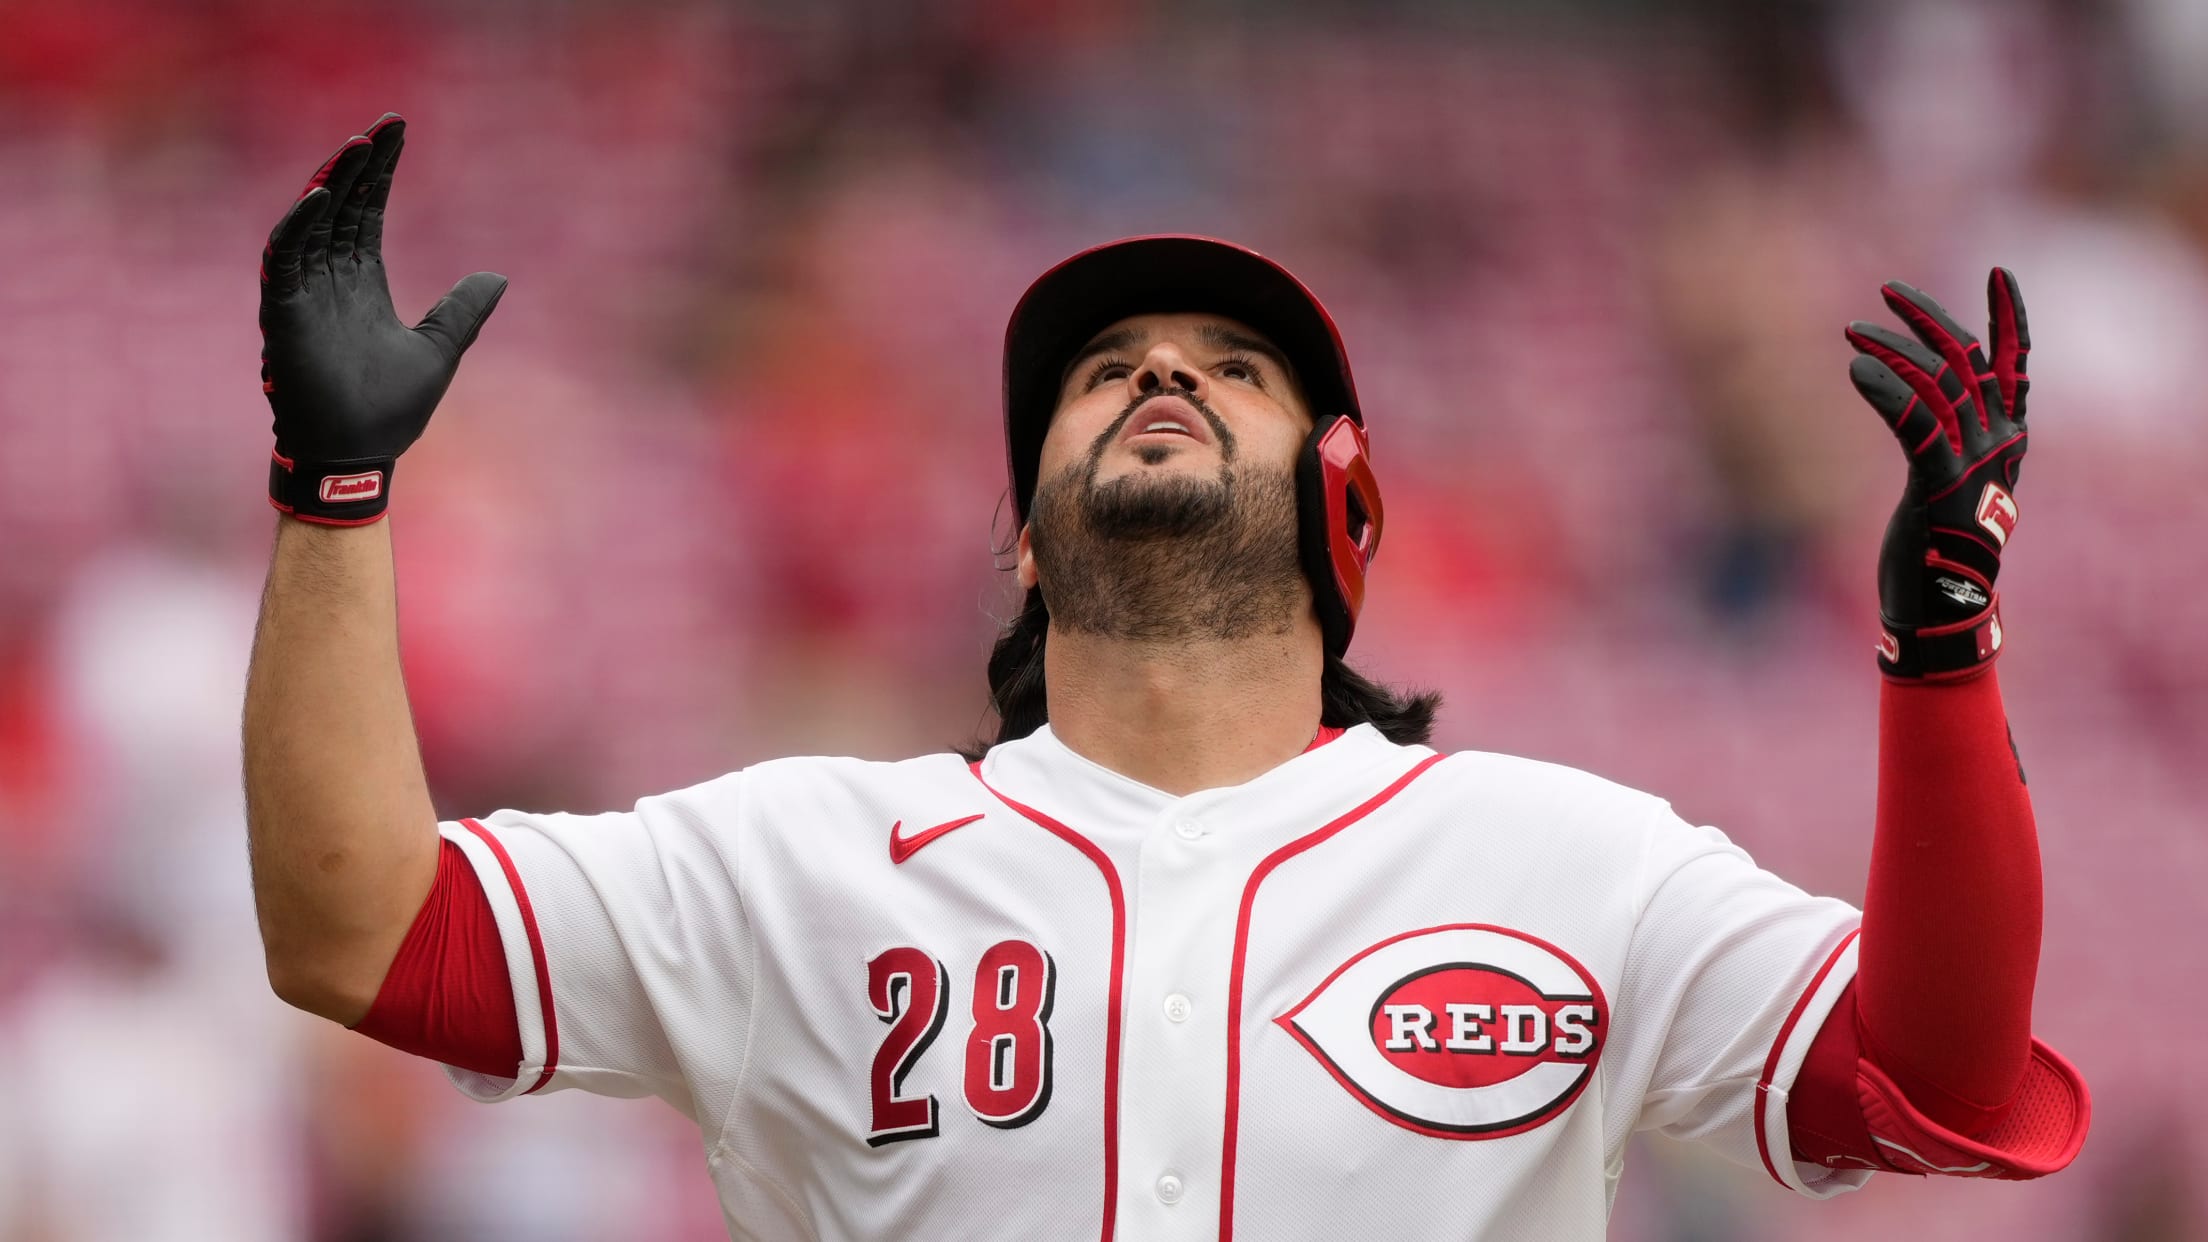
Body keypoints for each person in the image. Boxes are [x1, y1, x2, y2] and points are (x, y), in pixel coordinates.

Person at [245, 116, 2089, 1241]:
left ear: (1339, 508)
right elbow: (367, 937)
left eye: (1234, 362)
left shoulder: (1573, 862)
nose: (1158, 371)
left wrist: (1943, 665)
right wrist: (337, 503)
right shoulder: (804, 849)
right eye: (1103, 362)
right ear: (1027, 538)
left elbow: (1938, 1079)